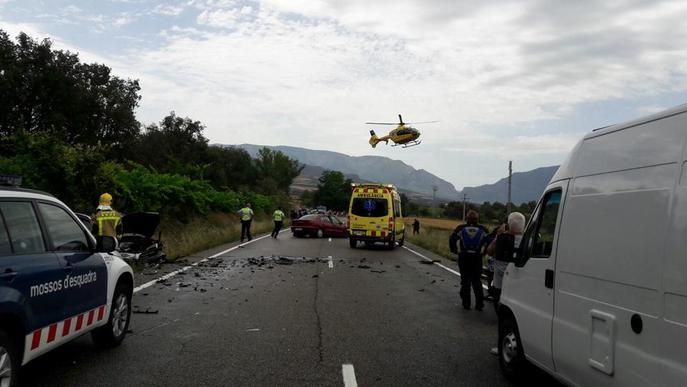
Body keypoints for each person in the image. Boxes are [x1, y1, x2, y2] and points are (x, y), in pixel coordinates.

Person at [449, 210, 488, 310]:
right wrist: (484, 252)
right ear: (477, 219)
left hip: (464, 257)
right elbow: (489, 241)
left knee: (465, 280)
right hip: (477, 257)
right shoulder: (483, 229)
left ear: (467, 219)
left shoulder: (461, 228)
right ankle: (479, 304)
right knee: (477, 282)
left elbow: (452, 238)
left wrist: (454, 250)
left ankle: (466, 303)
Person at [486, 212, 526, 309]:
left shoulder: (501, 238)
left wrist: (498, 236)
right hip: (520, 281)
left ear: (508, 225)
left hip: (500, 283)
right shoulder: (527, 240)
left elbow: (489, 251)